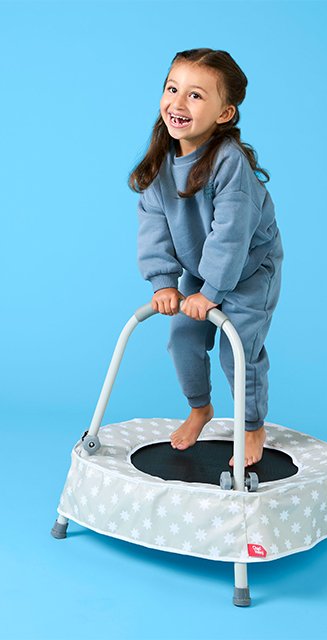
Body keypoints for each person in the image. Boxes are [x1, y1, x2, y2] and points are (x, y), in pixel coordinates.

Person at [128, 48, 283, 469]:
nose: (178, 103)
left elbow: (231, 234)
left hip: (249, 271)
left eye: (195, 96)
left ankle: (251, 427)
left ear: (224, 113)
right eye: (172, 89)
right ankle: (200, 408)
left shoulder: (229, 164)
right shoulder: (160, 164)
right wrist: (163, 282)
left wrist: (213, 291)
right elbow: (154, 226)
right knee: (182, 337)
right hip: (201, 273)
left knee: (238, 350)